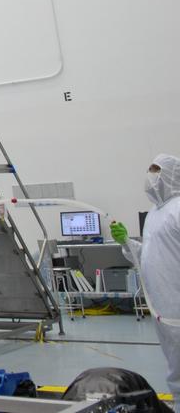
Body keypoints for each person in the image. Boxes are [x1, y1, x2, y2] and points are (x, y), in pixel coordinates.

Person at [111, 154, 180, 400]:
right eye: (150, 170)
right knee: (175, 368)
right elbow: (148, 257)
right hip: (164, 310)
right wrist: (126, 242)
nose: (151, 177)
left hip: (176, 307)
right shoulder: (154, 214)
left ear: (171, 174)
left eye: (156, 171)